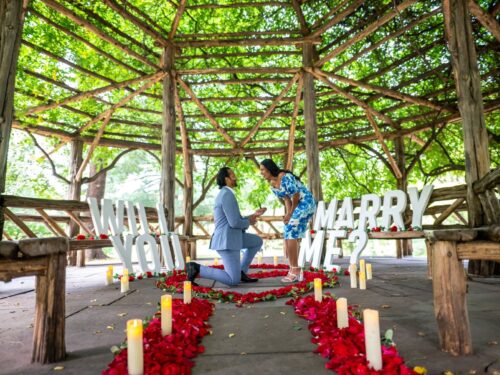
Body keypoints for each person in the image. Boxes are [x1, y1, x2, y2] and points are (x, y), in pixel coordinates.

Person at [186, 167, 267, 286]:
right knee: (232, 280)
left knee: (256, 241)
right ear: (226, 179)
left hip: (233, 236)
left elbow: (233, 219)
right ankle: (197, 268)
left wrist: (253, 215)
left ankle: (241, 272)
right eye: (233, 175)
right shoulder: (227, 195)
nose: (236, 177)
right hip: (227, 240)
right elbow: (234, 223)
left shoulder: (227, 194)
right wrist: (248, 222)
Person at [259, 159, 316, 282]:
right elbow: (286, 199)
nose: (261, 172)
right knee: (288, 230)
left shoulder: (285, 177)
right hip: (296, 206)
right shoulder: (273, 186)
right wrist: (287, 215)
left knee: (290, 230)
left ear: (269, 169)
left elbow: (295, 195)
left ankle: (294, 269)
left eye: (262, 169)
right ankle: (296, 268)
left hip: (306, 203)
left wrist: (290, 214)